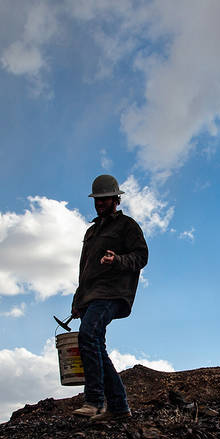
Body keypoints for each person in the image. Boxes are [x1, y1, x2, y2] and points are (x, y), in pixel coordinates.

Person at [71, 174, 148, 421]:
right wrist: (77, 301)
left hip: (114, 293)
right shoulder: (91, 232)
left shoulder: (127, 226)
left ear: (115, 199)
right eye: (97, 200)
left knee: (88, 335)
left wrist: (118, 260)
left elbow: (141, 256)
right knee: (96, 346)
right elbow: (84, 270)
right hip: (91, 295)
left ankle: (94, 400)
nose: (100, 203)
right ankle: (119, 407)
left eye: (105, 199)